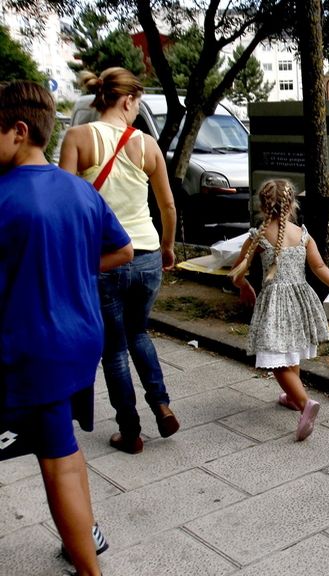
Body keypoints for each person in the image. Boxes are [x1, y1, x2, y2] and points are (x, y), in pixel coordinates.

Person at [0, 80, 134, 576]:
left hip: (32, 347)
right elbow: (122, 250)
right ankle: (84, 534)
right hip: (77, 341)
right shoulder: (79, 189)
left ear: (17, 131)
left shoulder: (3, 196)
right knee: (62, 450)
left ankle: (87, 567)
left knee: (57, 460)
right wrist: (73, 264)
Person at [59, 67, 179, 454]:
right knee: (139, 332)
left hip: (104, 259)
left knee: (114, 348)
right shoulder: (147, 145)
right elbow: (167, 205)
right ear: (128, 100)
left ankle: (130, 431)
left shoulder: (78, 137)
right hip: (146, 255)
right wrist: (167, 247)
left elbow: (66, 205)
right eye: (138, 103)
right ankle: (161, 403)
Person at [229, 179, 329, 441]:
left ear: (261, 206)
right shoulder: (303, 235)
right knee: (291, 351)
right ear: (292, 204)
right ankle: (293, 398)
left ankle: (306, 403)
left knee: (277, 360)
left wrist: (244, 286)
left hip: (275, 303)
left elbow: (238, 269)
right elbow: (319, 267)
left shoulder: (257, 237)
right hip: (299, 300)